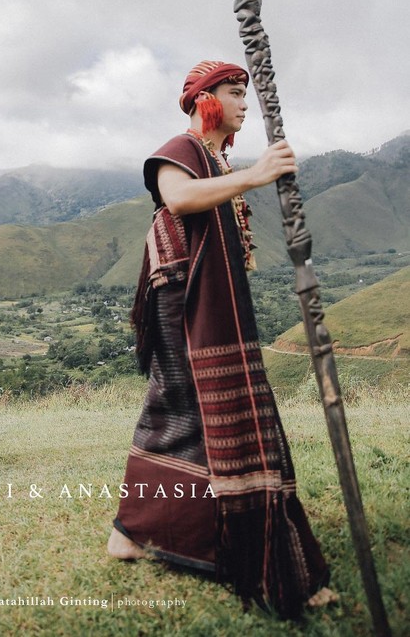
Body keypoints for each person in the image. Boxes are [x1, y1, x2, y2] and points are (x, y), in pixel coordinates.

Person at [108, 60, 337, 618]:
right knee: (190, 403)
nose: (244, 105)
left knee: (183, 409)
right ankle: (140, 532)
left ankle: (135, 532)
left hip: (209, 296)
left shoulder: (215, 160)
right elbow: (178, 199)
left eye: (245, 94)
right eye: (235, 93)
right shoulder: (180, 150)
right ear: (204, 99)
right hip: (182, 298)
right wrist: (257, 175)